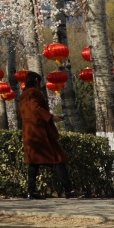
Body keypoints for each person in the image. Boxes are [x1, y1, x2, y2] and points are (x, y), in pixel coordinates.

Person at [19, 71, 75, 199]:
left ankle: (31, 191)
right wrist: (50, 117)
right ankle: (68, 190)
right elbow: (35, 107)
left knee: (33, 162)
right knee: (58, 158)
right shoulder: (33, 93)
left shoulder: (23, 95)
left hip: (29, 132)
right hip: (40, 132)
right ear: (36, 81)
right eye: (40, 81)